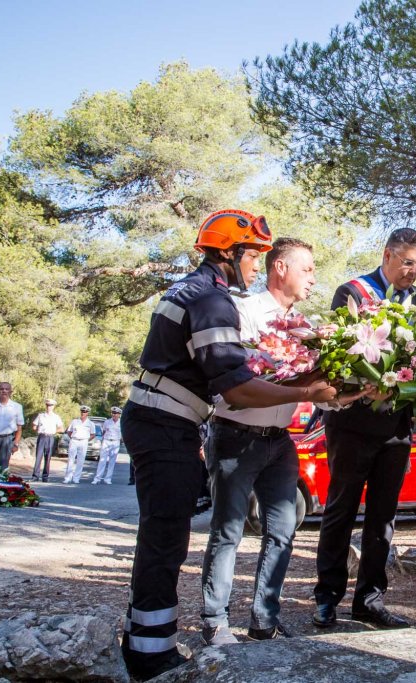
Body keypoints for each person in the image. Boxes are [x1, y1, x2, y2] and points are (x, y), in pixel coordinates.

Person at [120, 208, 337, 681]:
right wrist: (307, 393)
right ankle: (150, 657)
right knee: (164, 540)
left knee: (165, 537)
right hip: (166, 423)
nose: (258, 265)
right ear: (229, 253)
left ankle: (147, 646)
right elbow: (236, 389)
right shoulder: (213, 301)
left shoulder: (193, 291)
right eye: (253, 255)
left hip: (165, 421)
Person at [201, 237, 365, 645]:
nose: (313, 278)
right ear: (280, 269)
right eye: (307, 269)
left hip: (280, 440)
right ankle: (214, 622)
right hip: (234, 438)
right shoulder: (242, 311)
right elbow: (230, 381)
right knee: (228, 531)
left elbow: (322, 396)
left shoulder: (310, 330)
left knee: (283, 530)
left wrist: (358, 393)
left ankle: (264, 620)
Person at [311, 228, 416, 631]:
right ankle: (327, 597)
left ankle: (370, 600)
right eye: (407, 262)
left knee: (383, 516)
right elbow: (336, 357)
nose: (413, 272)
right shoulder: (352, 291)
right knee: (341, 510)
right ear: (388, 255)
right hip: (351, 424)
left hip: (396, 426)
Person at [31, 399, 64, 482]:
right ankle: (35, 476)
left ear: (53, 407)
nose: (49, 407)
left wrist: (53, 431)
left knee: (48, 457)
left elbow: (61, 429)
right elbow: (34, 426)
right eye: (48, 405)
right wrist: (38, 429)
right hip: (42, 436)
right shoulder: (41, 416)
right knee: (38, 456)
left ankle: (45, 476)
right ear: (46, 406)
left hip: (50, 437)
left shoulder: (56, 417)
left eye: (51, 405)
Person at [92, 407, 123, 485]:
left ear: (119, 415)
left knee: (112, 462)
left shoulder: (122, 423)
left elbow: (123, 434)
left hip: (115, 442)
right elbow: (104, 431)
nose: (114, 415)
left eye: (116, 413)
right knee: (102, 460)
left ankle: (108, 479)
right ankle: (97, 478)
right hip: (106, 441)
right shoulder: (107, 422)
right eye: (113, 413)